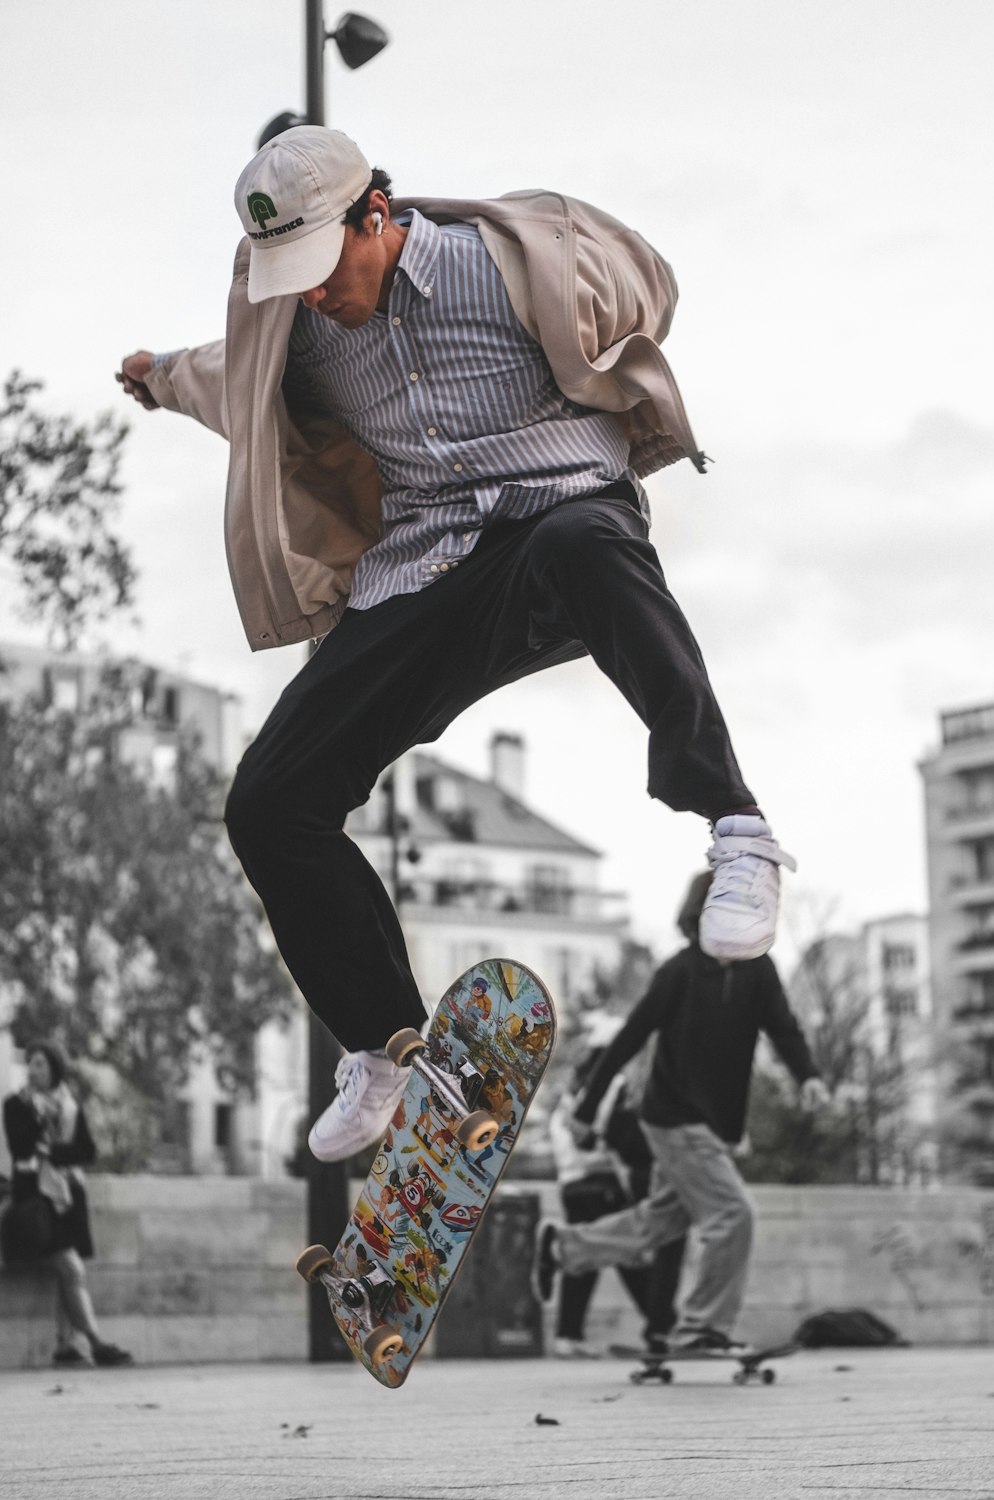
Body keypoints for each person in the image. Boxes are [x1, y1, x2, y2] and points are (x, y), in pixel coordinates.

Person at [116, 125, 796, 1165]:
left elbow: (643, 279)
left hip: (559, 521)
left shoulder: (500, 264)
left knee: (584, 538)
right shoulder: (293, 329)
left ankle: (737, 829)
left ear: (376, 219)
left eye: (323, 269)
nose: (311, 298)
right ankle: (383, 1041)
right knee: (269, 801)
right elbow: (226, 378)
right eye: (285, 281)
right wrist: (160, 375)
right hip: (423, 571)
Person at [531, 873, 829, 1353]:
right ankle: (701, 1327)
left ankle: (563, 1248)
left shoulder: (760, 969)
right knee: (733, 1214)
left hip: (716, 1127)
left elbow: (783, 1027)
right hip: (672, 1117)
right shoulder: (680, 971)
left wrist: (808, 1074)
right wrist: (587, 1108)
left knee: (662, 1220)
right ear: (702, 916)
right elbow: (630, 1037)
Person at [548, 1015, 686, 1357]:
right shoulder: (613, 1085)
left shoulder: (571, 1091)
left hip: (570, 1183)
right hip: (602, 1182)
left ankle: (569, 1335)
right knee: (629, 1252)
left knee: (589, 1259)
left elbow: (563, 1135)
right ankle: (664, 1327)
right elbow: (621, 1137)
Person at [2, 1042, 133, 1367]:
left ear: (54, 1070)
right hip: (36, 1199)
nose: (33, 1070)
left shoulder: (70, 1107)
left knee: (66, 1272)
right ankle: (96, 1341)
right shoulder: (15, 1105)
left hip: (68, 1198)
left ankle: (66, 1346)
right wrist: (43, 1122)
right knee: (71, 1268)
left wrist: (53, 1151)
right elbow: (20, 1146)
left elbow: (87, 1151)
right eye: (30, 1064)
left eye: (41, 1065)